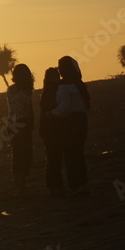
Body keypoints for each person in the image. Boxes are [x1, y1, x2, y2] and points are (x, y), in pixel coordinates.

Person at [52, 56, 90, 196]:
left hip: (69, 122)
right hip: (81, 121)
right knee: (78, 153)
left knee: (70, 154)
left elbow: (64, 107)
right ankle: (83, 184)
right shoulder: (79, 85)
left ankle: (75, 185)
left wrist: (51, 113)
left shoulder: (64, 87)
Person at [6, 64, 35, 195]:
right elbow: (27, 106)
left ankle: (20, 185)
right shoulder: (22, 91)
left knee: (18, 154)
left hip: (14, 123)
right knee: (21, 154)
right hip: (20, 122)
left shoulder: (13, 90)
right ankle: (20, 186)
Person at [39, 67, 64, 196]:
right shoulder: (50, 92)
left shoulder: (51, 91)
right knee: (54, 158)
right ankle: (55, 187)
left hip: (53, 128)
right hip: (50, 129)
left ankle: (53, 186)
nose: (57, 79)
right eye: (54, 77)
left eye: (57, 76)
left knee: (54, 158)